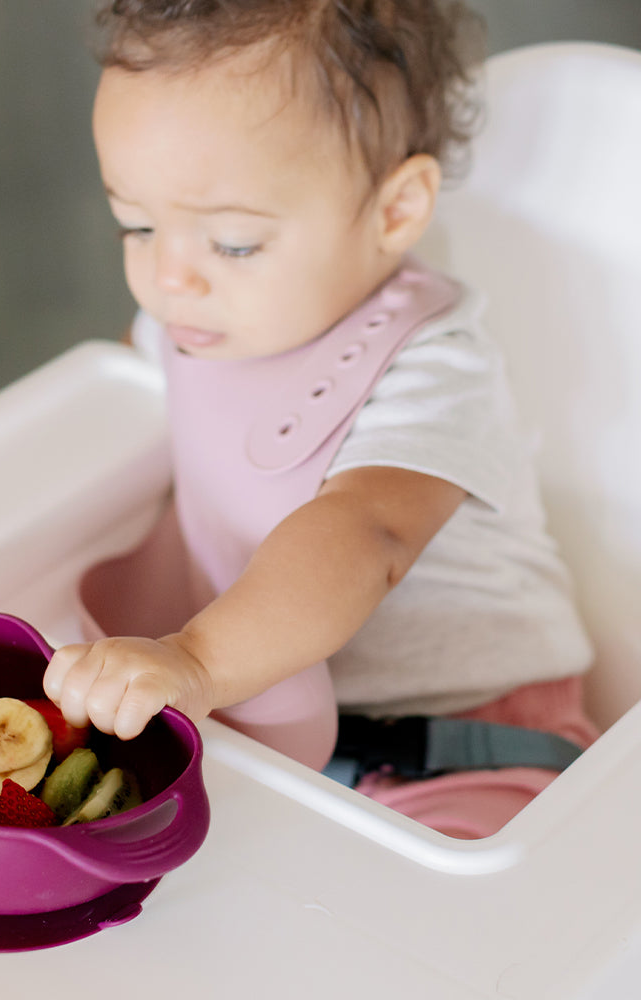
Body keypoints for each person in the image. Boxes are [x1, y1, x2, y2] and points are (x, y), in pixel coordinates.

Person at [43, 0, 598, 837]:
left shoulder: (434, 370)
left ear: (395, 211)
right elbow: (143, 392)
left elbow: (362, 536)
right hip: (264, 733)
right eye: (139, 226)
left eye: (232, 243)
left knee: (442, 941)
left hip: (469, 751)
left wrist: (195, 661)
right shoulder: (198, 322)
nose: (171, 279)